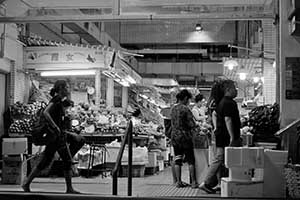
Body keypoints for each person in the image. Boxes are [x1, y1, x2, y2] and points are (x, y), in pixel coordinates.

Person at [22, 80, 85, 194]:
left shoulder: (60, 101)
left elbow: (58, 115)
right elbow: (46, 112)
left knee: (47, 160)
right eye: (66, 87)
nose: (68, 89)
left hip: (58, 136)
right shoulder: (56, 99)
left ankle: (27, 183)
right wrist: (55, 126)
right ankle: (69, 188)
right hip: (56, 136)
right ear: (61, 88)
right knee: (65, 159)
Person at [200, 79, 242, 194]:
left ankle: (219, 183)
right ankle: (206, 182)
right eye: (234, 88)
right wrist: (232, 137)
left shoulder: (221, 102)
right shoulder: (229, 102)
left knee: (220, 159)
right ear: (228, 89)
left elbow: (215, 115)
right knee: (219, 159)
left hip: (220, 135)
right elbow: (228, 120)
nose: (236, 90)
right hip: (225, 136)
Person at [170, 89, 198, 188]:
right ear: (185, 98)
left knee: (178, 159)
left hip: (175, 136)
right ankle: (194, 182)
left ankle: (178, 182)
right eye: (189, 100)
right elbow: (192, 124)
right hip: (185, 137)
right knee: (191, 160)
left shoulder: (173, 109)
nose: (189, 102)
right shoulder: (186, 109)